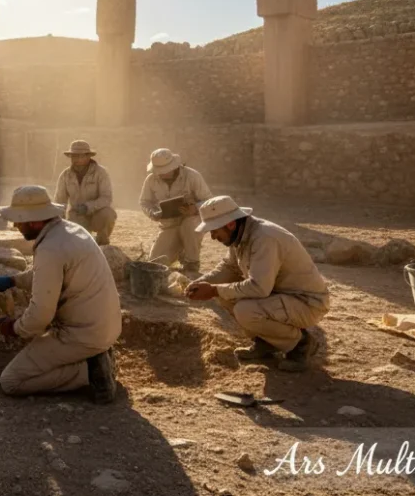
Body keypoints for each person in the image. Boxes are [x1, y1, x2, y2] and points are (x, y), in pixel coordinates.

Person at [0, 185, 121, 403]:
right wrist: (13, 281)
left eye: (20, 220)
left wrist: (13, 327)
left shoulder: (50, 249)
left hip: (82, 336)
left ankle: (90, 371)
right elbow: (49, 276)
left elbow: (40, 316)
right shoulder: (70, 230)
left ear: (36, 221)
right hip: (104, 327)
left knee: (11, 381)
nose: (16, 225)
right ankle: (97, 356)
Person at [184, 196, 330, 372]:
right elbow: (228, 268)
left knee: (245, 310)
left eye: (214, 231)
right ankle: (267, 343)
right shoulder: (239, 234)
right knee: (226, 295)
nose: (213, 237)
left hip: (306, 303)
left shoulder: (265, 238)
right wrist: (200, 283)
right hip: (279, 296)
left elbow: (259, 288)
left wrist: (214, 290)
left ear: (230, 224)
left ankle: (301, 344)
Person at [139, 148, 212, 275]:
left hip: (192, 221)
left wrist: (194, 208)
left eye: (163, 170)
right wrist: (153, 213)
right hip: (169, 225)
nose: (160, 173)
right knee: (155, 262)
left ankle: (192, 263)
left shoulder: (192, 176)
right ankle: (180, 252)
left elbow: (209, 201)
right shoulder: (151, 180)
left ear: (174, 166)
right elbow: (144, 202)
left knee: (189, 226)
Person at [52, 140, 116, 246]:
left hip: (97, 214)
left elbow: (106, 198)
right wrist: (58, 223)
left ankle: (102, 240)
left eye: (79, 156)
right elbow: (60, 201)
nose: (76, 159)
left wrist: (88, 207)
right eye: (73, 156)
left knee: (108, 214)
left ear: (88, 156)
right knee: (79, 246)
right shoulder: (65, 175)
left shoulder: (101, 173)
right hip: (76, 216)